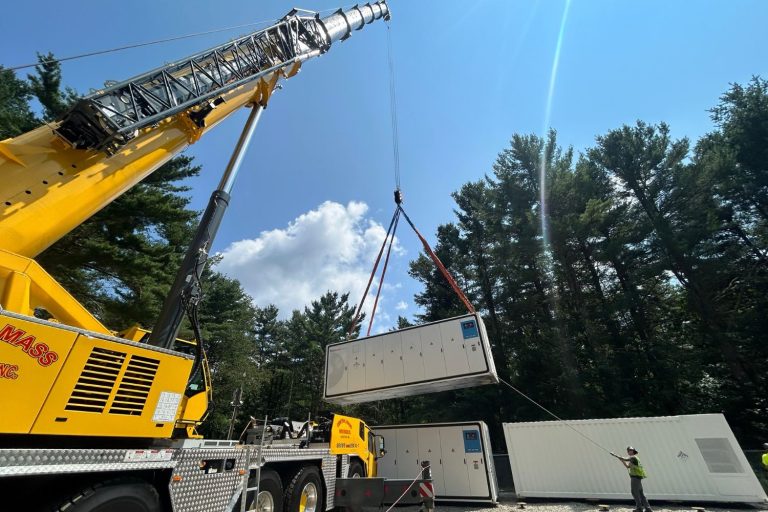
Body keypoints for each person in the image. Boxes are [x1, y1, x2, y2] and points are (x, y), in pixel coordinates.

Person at [611, 446, 652, 512]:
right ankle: (648, 509)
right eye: (628, 450)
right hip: (637, 478)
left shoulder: (633, 457)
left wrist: (615, 455)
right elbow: (628, 466)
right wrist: (621, 460)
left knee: (635, 492)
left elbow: (625, 459)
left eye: (630, 450)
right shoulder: (633, 459)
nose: (629, 451)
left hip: (635, 478)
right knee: (641, 494)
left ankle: (639, 508)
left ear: (633, 451)